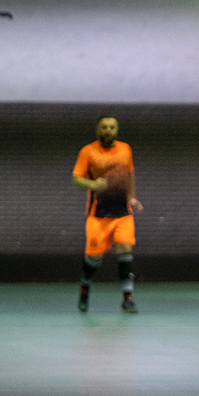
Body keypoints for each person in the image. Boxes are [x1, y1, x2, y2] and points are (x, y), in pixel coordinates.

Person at [71, 115, 143, 313]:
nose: (108, 130)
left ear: (117, 130)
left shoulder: (125, 149)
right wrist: (92, 184)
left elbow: (130, 173)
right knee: (94, 259)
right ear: (98, 130)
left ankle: (127, 298)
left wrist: (132, 197)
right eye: (104, 127)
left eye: (112, 127)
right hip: (98, 215)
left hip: (123, 214)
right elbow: (76, 179)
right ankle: (85, 289)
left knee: (126, 250)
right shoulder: (88, 151)